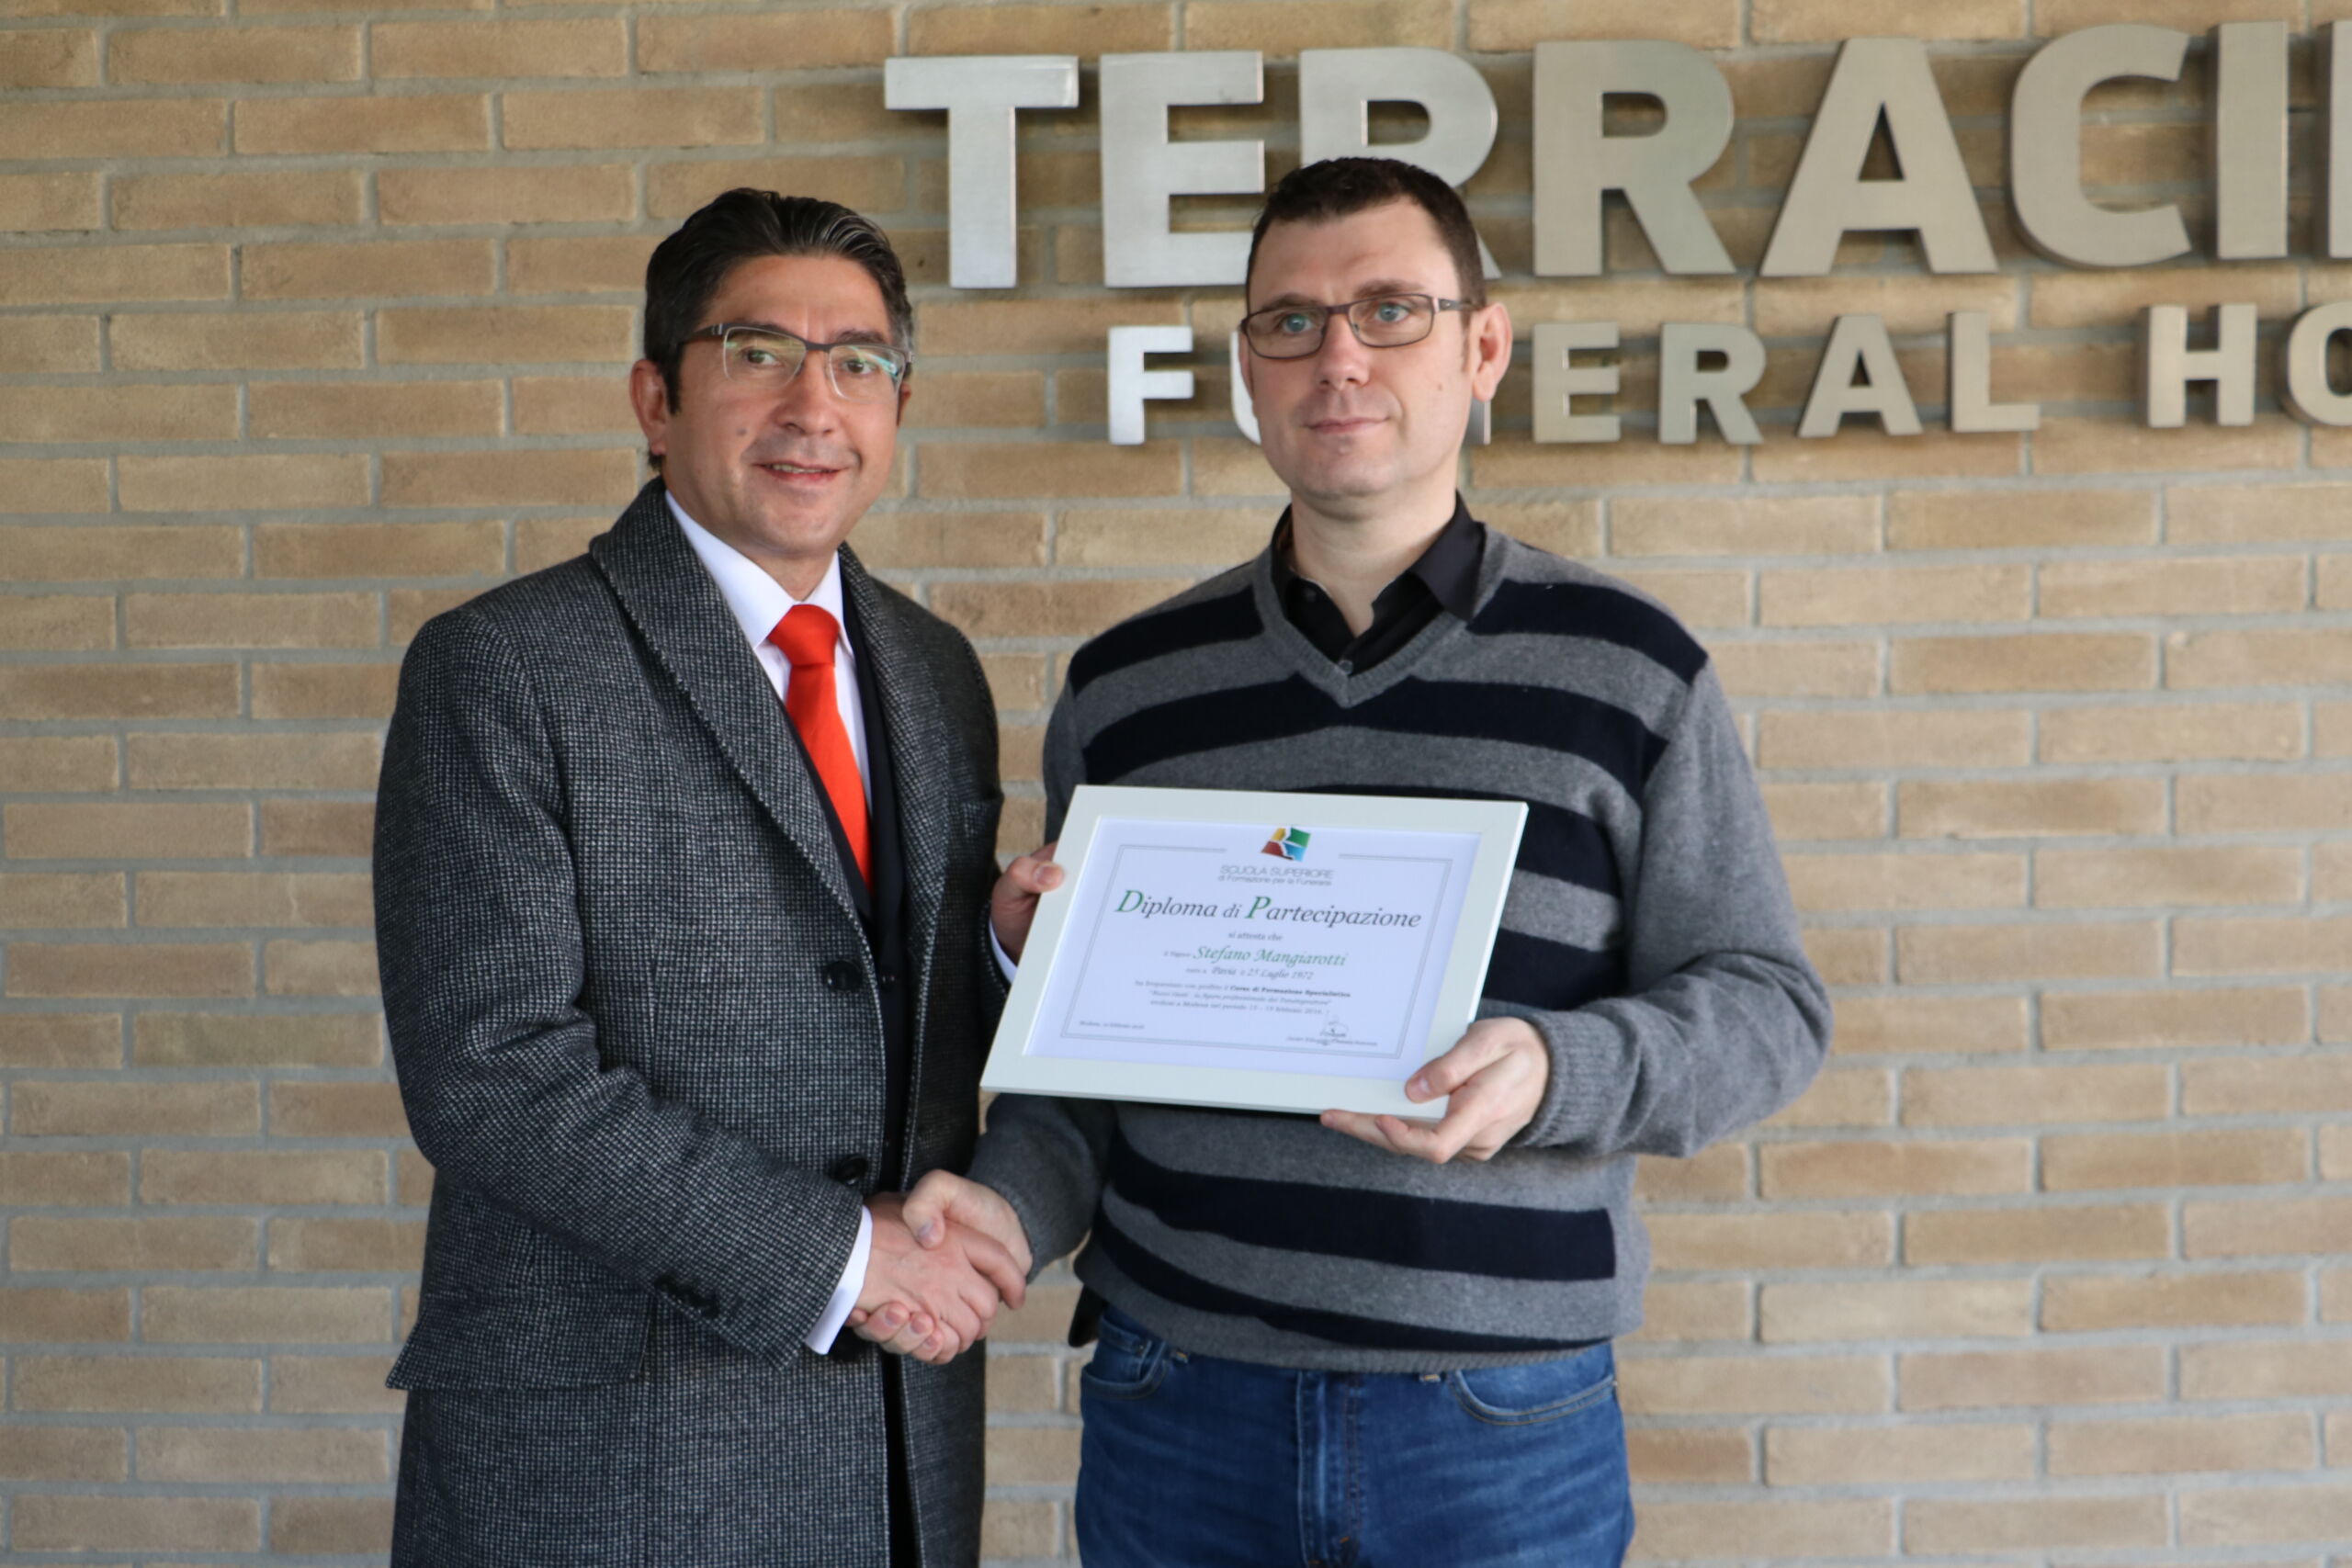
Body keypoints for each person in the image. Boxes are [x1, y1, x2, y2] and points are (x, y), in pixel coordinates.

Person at [890, 157, 1835, 1566]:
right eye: (1292, 322)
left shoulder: (1628, 673)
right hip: (1175, 1405)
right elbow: (1082, 1075)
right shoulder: (1130, 692)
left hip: (1498, 1430)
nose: (1338, 357)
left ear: (1483, 349)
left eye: (1391, 311)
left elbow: (1768, 1006)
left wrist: (1558, 1069)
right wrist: (1007, 1205)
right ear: (1247, 369)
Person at [372, 189, 1030, 1568]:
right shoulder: (504, 667)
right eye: (758, 351)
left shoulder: (935, 672)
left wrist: (1006, 953)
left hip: (894, 1452)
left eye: (859, 362)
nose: (814, 404)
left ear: (899, 406)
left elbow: (887, 1013)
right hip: (610, 1460)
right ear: (656, 399)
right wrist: (840, 1257)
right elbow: (491, 1071)